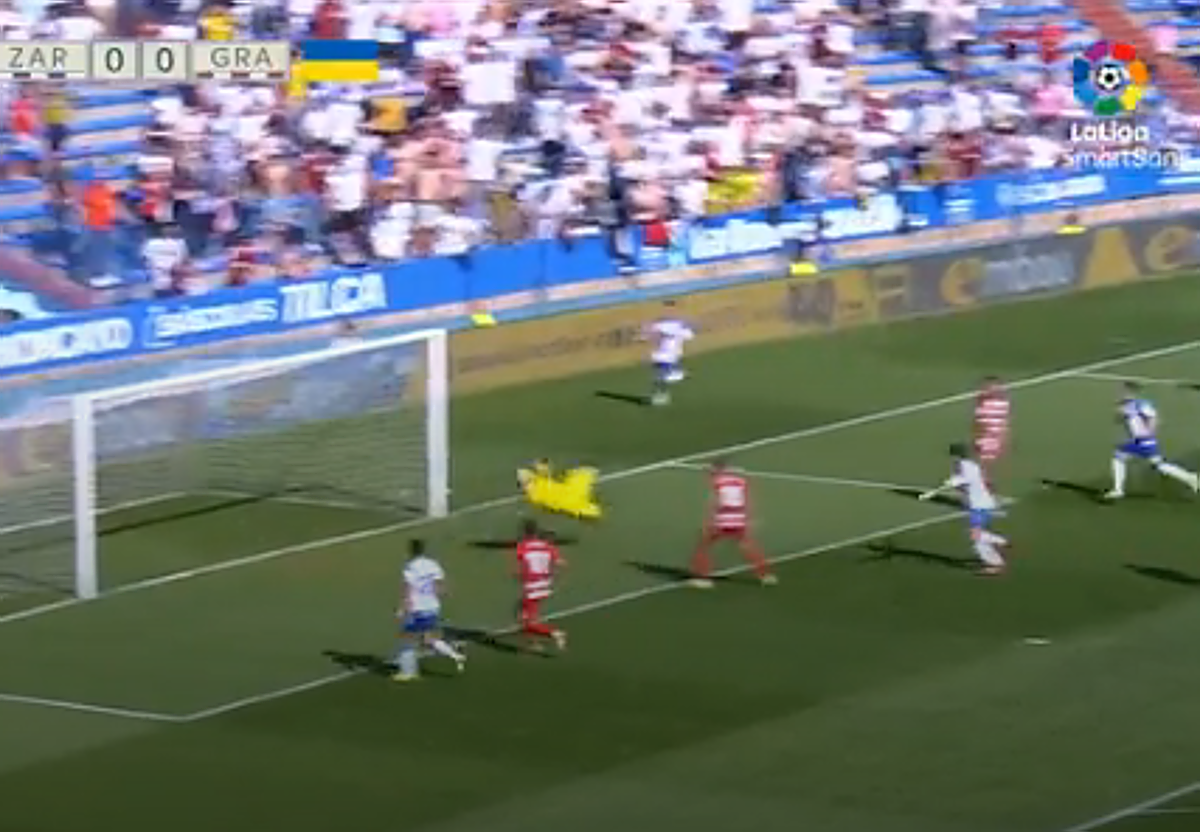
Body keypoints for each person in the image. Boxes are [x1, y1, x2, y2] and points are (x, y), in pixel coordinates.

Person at [919, 443, 1010, 576]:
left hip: (979, 506)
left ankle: (997, 558)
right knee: (977, 536)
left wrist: (936, 491)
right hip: (982, 503)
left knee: (976, 536)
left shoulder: (964, 467)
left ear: (955, 455)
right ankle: (1000, 548)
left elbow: (960, 481)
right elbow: (967, 482)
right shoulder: (970, 465)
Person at [1105, 382, 1199, 500]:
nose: (1120, 393)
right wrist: (1120, 412)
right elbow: (1120, 420)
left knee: (1119, 457)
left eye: (1123, 391)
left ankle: (1118, 490)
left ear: (1130, 392)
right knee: (1158, 465)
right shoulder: (1127, 406)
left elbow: (1153, 418)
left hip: (1143, 441)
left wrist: (1149, 433)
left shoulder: (1141, 404)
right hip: (1140, 441)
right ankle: (1190, 478)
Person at [690, 460, 776, 589]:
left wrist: (708, 523)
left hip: (723, 520)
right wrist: (748, 519)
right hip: (739, 519)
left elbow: (715, 503)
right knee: (748, 546)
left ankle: (703, 579)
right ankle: (766, 575)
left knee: (703, 547)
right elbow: (747, 501)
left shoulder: (717, 483)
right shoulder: (741, 481)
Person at [393, 539, 466, 682]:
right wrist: (441, 594)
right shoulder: (433, 564)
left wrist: (403, 607)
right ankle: (455, 654)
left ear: (411, 551)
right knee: (427, 638)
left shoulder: (410, 567)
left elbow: (408, 587)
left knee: (406, 638)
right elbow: (439, 585)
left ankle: (408, 672)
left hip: (418, 608)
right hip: (432, 606)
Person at [515, 519, 568, 653]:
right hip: (544, 585)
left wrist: (521, 576)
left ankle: (555, 634)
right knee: (522, 612)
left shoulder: (522, 546)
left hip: (533, 587)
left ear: (524, 532)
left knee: (528, 623)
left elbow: (523, 563)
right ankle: (533, 643)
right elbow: (561, 562)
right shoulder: (547, 546)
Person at [645, 300, 695, 406]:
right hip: (662, 354)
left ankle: (677, 377)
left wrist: (678, 333)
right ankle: (662, 394)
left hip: (670, 355)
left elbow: (689, 335)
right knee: (659, 376)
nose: (668, 311)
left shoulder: (679, 325)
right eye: (666, 308)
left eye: (670, 308)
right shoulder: (660, 324)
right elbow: (650, 331)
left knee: (661, 376)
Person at [974, 376, 1010, 484]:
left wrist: (1004, 433)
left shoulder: (1002, 403)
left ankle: (984, 477)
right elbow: (979, 418)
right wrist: (979, 432)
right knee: (985, 456)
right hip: (987, 431)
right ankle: (983, 477)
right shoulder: (984, 402)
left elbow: (1004, 419)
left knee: (990, 456)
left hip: (995, 431)